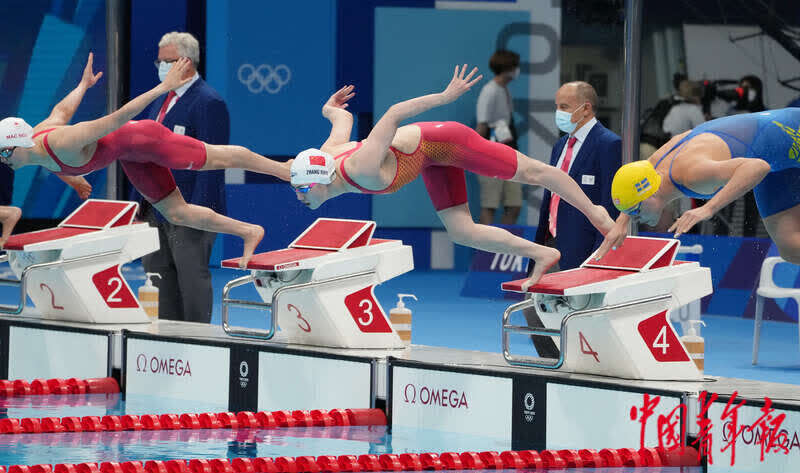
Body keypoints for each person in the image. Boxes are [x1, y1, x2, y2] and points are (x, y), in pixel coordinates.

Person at [291, 65, 615, 288]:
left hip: (445, 141)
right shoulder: (327, 153)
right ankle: (543, 253)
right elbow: (340, 119)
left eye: (303, 188)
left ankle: (594, 211)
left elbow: (393, 114)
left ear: (320, 179)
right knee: (461, 231)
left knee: (534, 172)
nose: (299, 196)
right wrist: (329, 108)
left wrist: (444, 98)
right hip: (429, 161)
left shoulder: (361, 167)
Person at [0, 53, 291, 267]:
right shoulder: (35, 144)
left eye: (2, 154)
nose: (3, 161)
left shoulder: (62, 143)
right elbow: (60, 112)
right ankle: (249, 231)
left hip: (145, 140)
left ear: (14, 148)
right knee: (176, 213)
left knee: (216, 158)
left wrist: (164, 87)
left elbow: (120, 117)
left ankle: (282, 170)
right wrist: (83, 85)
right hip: (130, 156)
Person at [598, 108, 800, 266]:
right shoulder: (652, 167)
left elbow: (758, 166)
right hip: (775, 156)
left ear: (649, 197)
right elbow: (633, 189)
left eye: (635, 213)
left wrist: (708, 208)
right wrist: (621, 222)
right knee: (791, 249)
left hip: (793, 132)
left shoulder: (692, 174)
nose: (637, 220)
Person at [129, 32, 229, 323]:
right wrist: (138, 206)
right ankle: (165, 340)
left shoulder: (209, 102)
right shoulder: (158, 101)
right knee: (158, 275)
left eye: (167, 60)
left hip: (189, 210)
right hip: (154, 208)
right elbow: (140, 157)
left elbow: (214, 163)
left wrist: (197, 213)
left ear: (187, 62)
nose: (161, 66)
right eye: (159, 61)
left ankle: (197, 341)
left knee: (191, 277)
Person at [523, 81, 621, 358]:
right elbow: (551, 198)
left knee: (576, 318)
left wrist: (597, 257)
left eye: (564, 107)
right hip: (550, 242)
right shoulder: (560, 146)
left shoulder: (609, 145)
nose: (559, 113)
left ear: (586, 108)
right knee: (534, 307)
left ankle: (575, 366)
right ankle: (551, 364)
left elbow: (609, 206)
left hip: (583, 247)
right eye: (557, 107)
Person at [475, 50, 522, 225]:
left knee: (514, 205)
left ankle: (504, 247)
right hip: (490, 156)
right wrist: (473, 157)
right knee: (489, 206)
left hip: (509, 154)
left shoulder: (505, 90)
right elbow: (481, 126)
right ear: (508, 68)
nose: (518, 70)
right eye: (516, 66)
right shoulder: (489, 91)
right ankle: (484, 250)